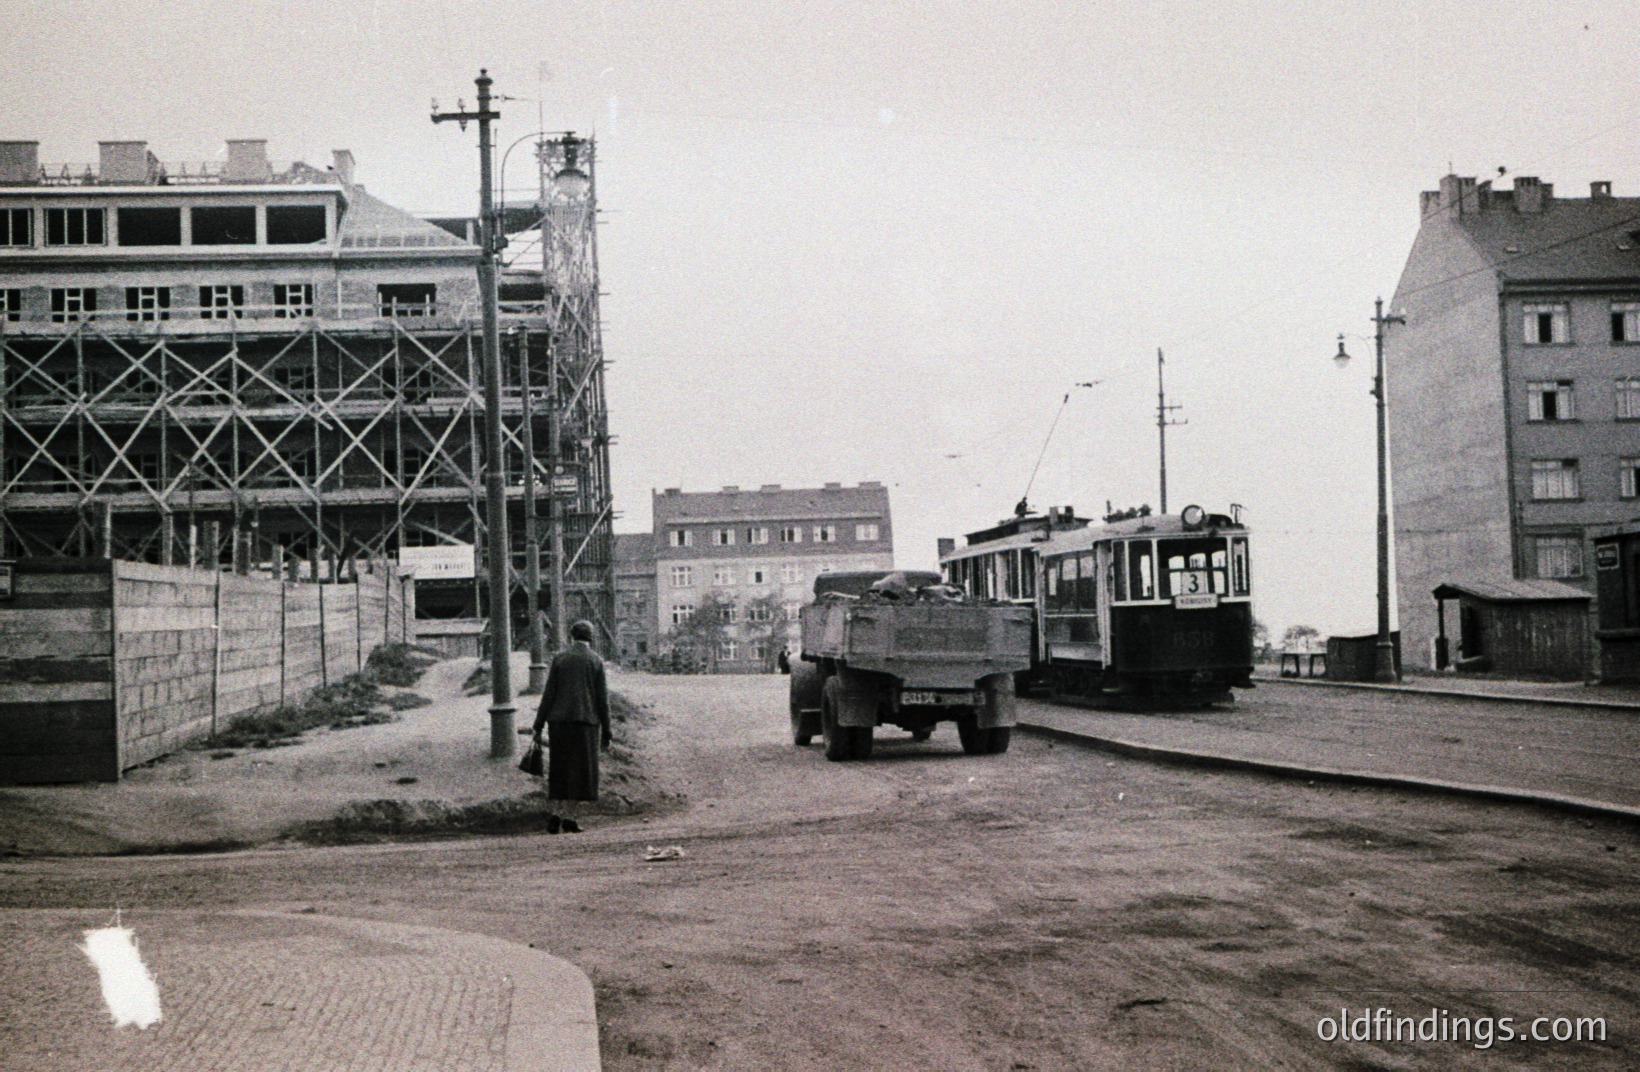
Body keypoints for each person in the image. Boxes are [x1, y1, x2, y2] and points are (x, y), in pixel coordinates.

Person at [531, 620, 611, 801]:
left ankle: (557, 814)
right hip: (586, 722)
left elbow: (549, 694)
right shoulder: (596, 661)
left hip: (559, 722)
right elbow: (602, 700)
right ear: (591, 637)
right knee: (583, 772)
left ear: (571, 636)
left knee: (560, 769)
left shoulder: (560, 658)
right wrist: (607, 731)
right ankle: (573, 816)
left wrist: (538, 725)